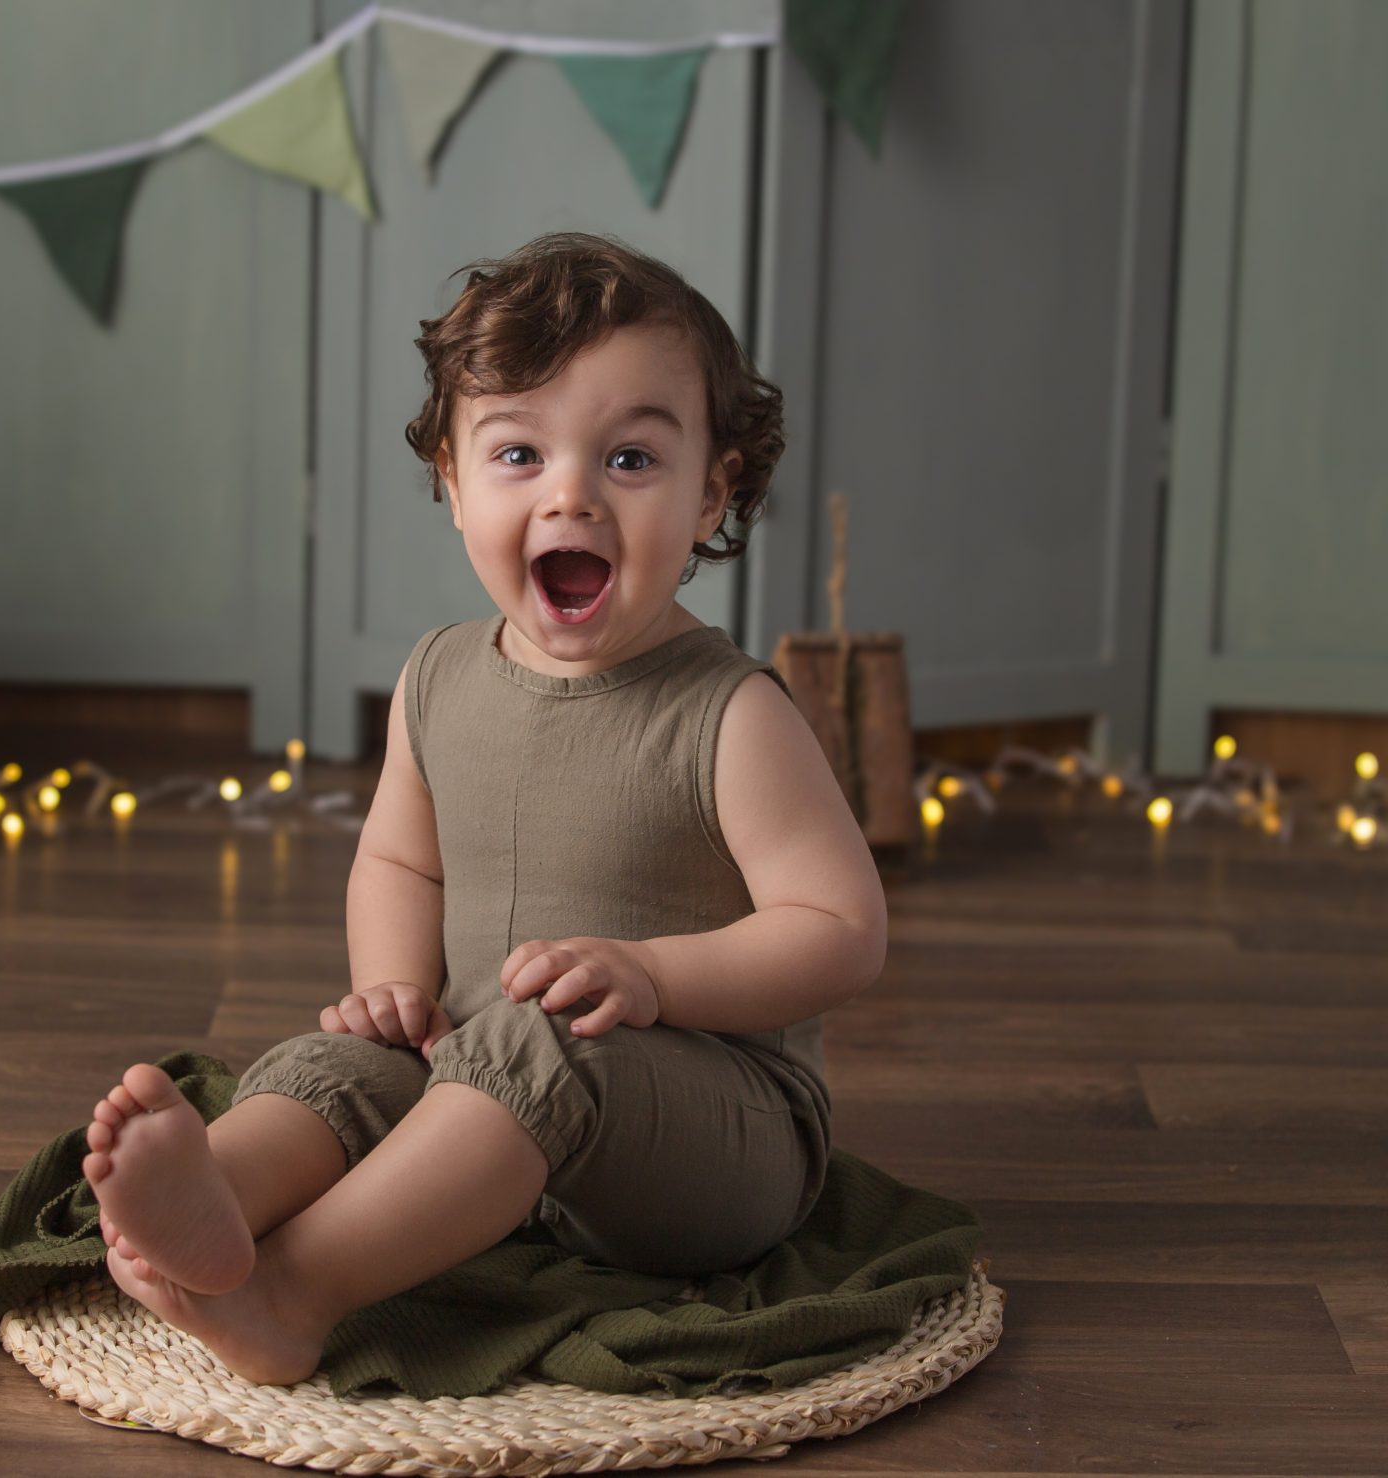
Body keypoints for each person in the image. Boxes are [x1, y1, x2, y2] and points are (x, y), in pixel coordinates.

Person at [79, 231, 887, 1386]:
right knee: (343, 1064)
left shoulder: (728, 712)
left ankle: (294, 1290)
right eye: (519, 453)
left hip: (711, 1132)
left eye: (630, 460)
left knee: (552, 1045)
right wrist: (392, 984)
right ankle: (218, 1195)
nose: (572, 494)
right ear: (454, 484)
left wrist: (659, 975)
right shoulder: (439, 676)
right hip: (481, 1084)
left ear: (714, 486)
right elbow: (400, 865)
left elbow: (842, 928)